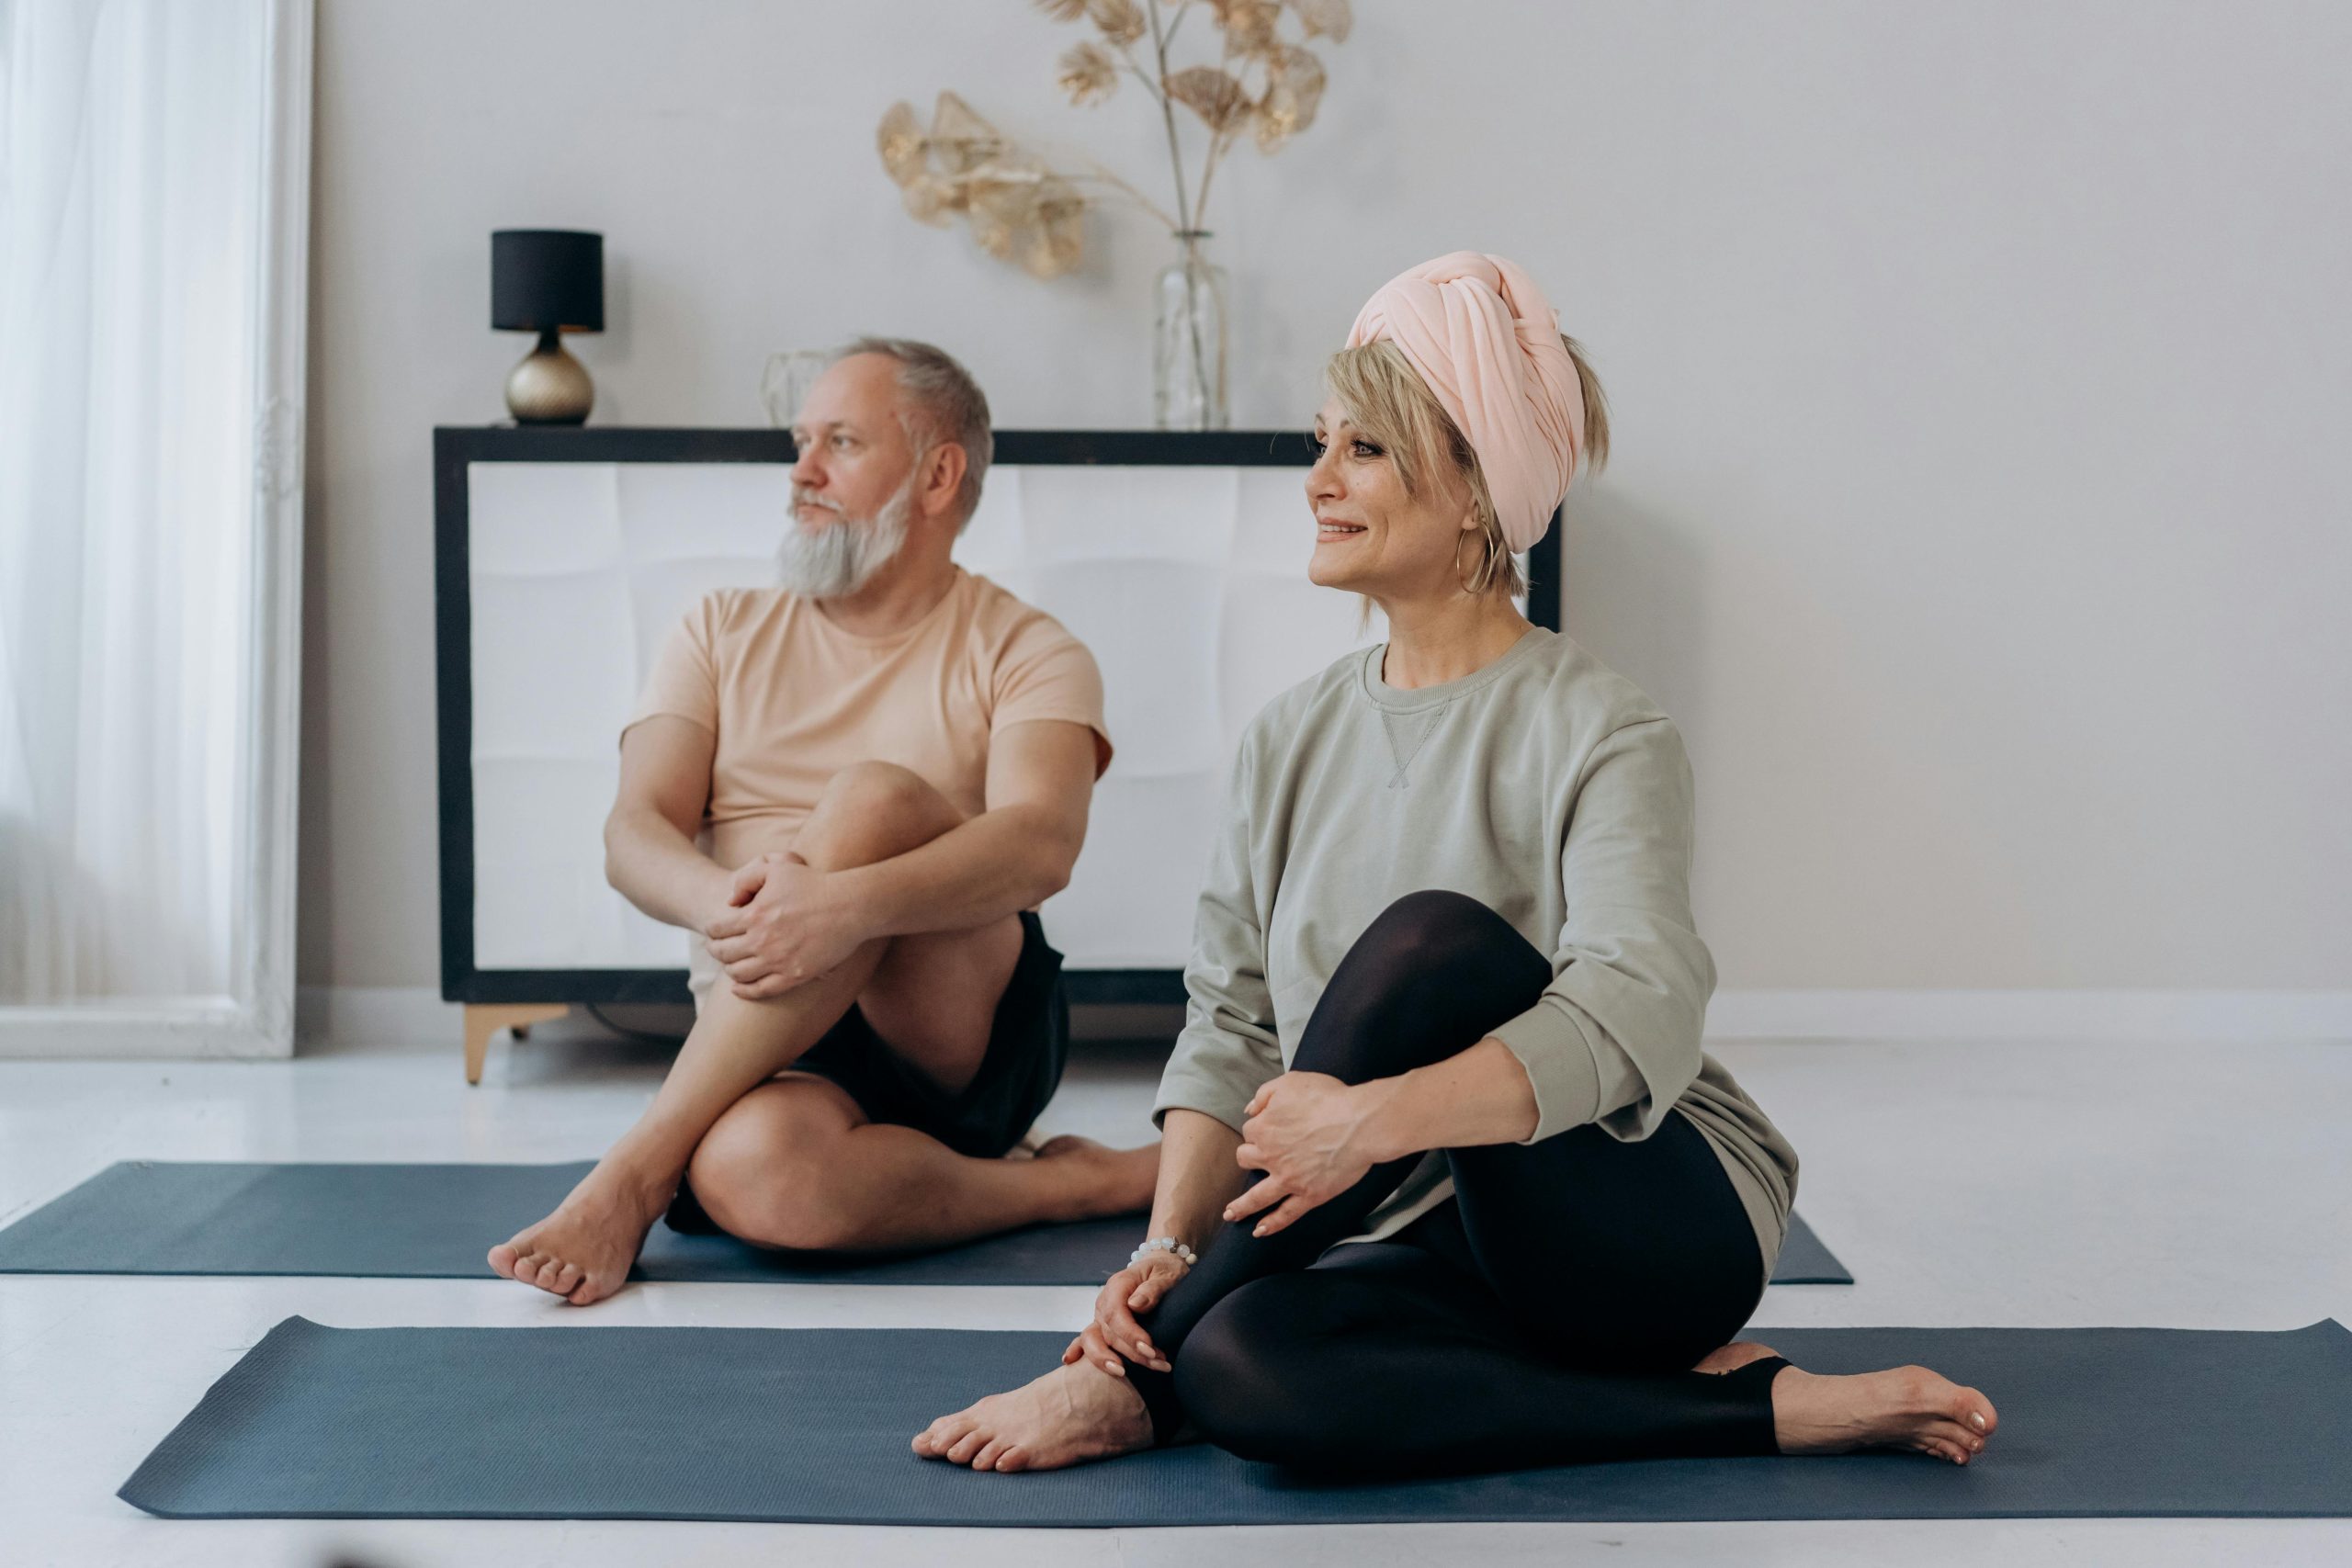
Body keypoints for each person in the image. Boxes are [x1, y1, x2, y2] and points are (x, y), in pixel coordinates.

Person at [913, 254, 2000, 1475]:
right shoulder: (1288, 736)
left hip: (1646, 1226)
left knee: (1429, 945)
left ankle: (1121, 1375)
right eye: (1322, 443)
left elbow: (1643, 996)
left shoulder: (1600, 724)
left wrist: (1372, 1120)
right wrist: (1166, 1245)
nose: (1318, 480)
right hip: (1433, 1238)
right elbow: (1231, 1027)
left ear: (1477, 492)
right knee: (1242, 1368)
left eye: (1364, 450)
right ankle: (1770, 1410)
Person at [490, 338, 1159, 1306]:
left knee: (874, 798)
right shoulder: (717, 629)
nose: (801, 470)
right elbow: (633, 831)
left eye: (839, 442)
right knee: (756, 1179)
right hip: (772, 1022)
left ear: (937, 475)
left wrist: (841, 906)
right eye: (803, 441)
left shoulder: (1030, 648)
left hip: (958, 1026)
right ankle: (1069, 1184)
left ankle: (633, 1169)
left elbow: (1040, 843)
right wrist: (742, 909)